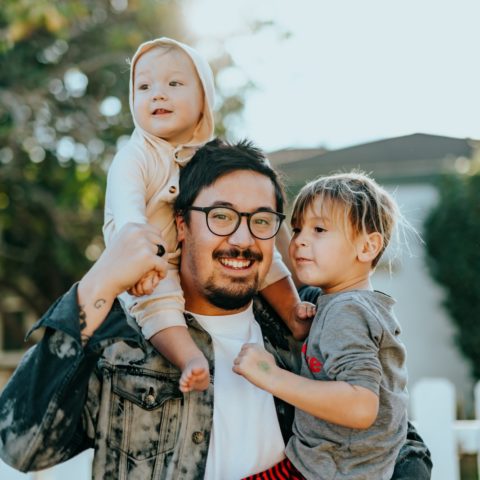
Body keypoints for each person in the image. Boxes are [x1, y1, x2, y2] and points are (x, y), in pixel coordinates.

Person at [0, 141, 431, 479]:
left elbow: (395, 434)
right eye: (221, 216)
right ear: (182, 225)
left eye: (261, 220)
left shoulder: (304, 321)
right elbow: (20, 445)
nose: (242, 239)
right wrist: (99, 282)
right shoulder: (122, 338)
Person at [103, 37, 311, 393]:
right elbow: (129, 219)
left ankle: (293, 313)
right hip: (147, 261)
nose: (158, 94)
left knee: (265, 255)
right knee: (159, 304)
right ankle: (190, 358)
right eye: (144, 86)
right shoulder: (135, 157)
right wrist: (141, 264)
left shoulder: (210, 159)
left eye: (174, 83)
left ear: (204, 101)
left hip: (186, 254)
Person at [234, 172, 413, 479]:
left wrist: (269, 375)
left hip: (324, 470)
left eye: (319, 229)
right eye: (297, 228)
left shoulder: (346, 311)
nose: (300, 239)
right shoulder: (353, 305)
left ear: (367, 247)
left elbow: (361, 406)